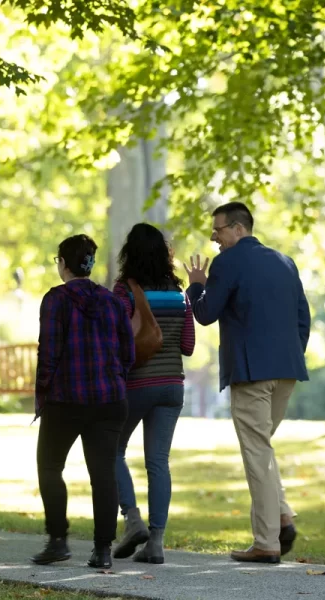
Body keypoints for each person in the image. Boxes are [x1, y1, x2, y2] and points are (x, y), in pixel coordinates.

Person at [184, 202, 310, 565]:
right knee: (262, 449)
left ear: (238, 229)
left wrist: (196, 288)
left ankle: (267, 543)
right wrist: (288, 357)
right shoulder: (286, 262)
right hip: (286, 372)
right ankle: (282, 516)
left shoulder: (228, 262)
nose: (213, 237)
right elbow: (304, 318)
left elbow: (206, 314)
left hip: (252, 374)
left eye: (218, 230)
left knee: (256, 455)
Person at [31, 234, 135, 570]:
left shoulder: (55, 300)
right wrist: (114, 377)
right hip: (110, 400)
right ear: (89, 264)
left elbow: (48, 352)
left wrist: (43, 394)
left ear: (63, 263)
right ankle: (102, 550)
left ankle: (58, 540)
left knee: (49, 467)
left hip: (66, 399)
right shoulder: (112, 302)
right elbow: (127, 352)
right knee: (104, 475)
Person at [110, 223, 195, 564]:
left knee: (112, 451)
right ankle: (156, 542)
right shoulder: (179, 294)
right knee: (159, 462)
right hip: (172, 386)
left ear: (129, 253)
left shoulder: (123, 291)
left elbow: (116, 341)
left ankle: (132, 521)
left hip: (135, 385)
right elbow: (187, 346)